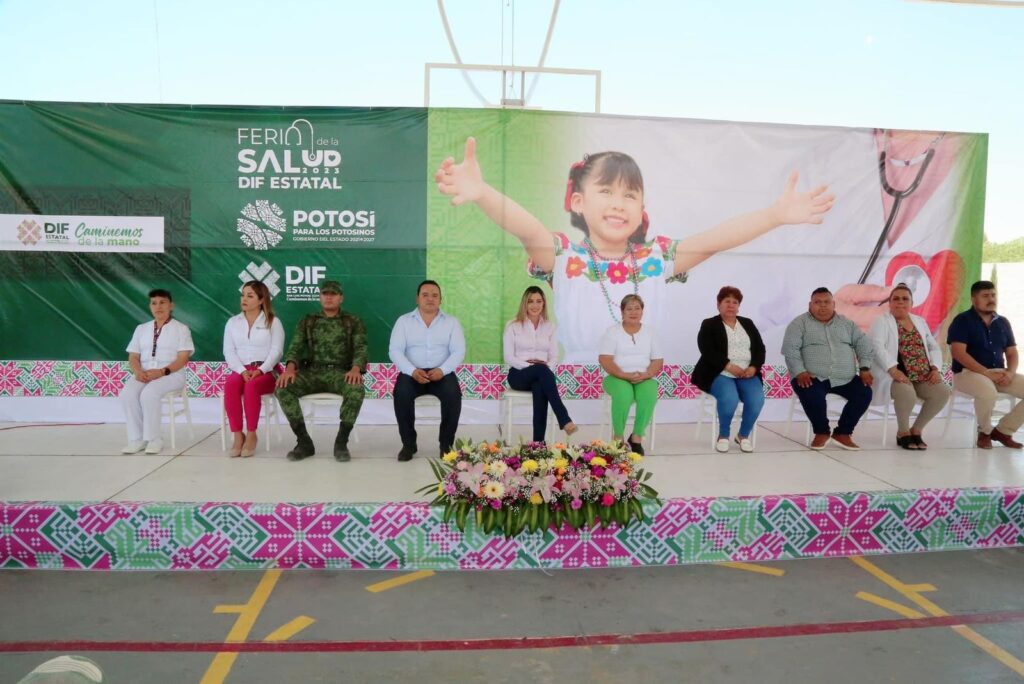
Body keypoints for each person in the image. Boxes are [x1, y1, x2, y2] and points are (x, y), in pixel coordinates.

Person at [435, 138, 834, 362]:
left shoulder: (657, 258)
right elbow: (527, 228)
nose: (618, 202)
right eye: (605, 191)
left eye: (630, 194)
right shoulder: (565, 256)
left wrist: (776, 215)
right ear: (577, 202)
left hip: (641, 373)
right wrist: (483, 193)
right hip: (578, 379)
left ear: (642, 208)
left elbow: (717, 238)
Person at [275, 280, 367, 462]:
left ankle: (341, 443)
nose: (329, 297)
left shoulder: (352, 321)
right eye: (325, 294)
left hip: (341, 373)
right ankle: (304, 442)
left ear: (341, 298)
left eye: (333, 294)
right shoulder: (309, 320)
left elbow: (361, 348)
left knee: (356, 390)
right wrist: (290, 369)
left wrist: (356, 369)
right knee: (283, 388)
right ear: (320, 297)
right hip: (313, 372)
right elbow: (295, 346)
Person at [782, 287, 875, 450]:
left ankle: (843, 433)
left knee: (864, 392)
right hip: (812, 377)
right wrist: (799, 371)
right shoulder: (799, 324)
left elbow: (863, 344)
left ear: (834, 304)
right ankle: (822, 432)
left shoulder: (846, 324)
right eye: (817, 302)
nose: (822, 306)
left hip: (844, 377)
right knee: (812, 394)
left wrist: (865, 368)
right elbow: (790, 349)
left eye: (826, 302)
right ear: (810, 305)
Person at [389, 280, 465, 461]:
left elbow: (458, 351)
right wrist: (411, 370)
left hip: (441, 373)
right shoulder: (404, 321)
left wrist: (443, 369)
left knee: (453, 394)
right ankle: (409, 444)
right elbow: (395, 350)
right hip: (412, 373)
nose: (430, 299)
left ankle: (446, 444)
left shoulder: (452, 323)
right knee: (401, 393)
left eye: (435, 295)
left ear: (441, 299)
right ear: (417, 298)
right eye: (425, 295)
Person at [868, 283, 950, 450]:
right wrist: (893, 370)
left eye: (905, 299)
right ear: (889, 303)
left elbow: (933, 346)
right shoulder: (881, 321)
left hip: (922, 374)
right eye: (896, 299)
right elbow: (876, 347)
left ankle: (917, 429)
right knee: (907, 393)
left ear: (912, 303)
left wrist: (935, 369)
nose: (900, 302)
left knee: (942, 392)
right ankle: (903, 432)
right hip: (893, 374)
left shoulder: (920, 321)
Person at [946, 280, 1024, 449]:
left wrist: (1010, 373)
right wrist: (986, 373)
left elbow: (1011, 353)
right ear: (974, 299)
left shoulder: (1002, 322)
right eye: (985, 296)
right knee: (988, 392)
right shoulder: (963, 320)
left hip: (999, 373)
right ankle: (985, 432)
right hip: (967, 374)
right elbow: (958, 353)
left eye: (993, 295)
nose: (991, 299)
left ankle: (1003, 431)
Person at [692, 286, 766, 453]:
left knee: (757, 399)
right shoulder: (709, 324)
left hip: (747, 373)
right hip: (719, 371)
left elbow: (760, 349)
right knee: (730, 398)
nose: (731, 305)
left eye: (735, 302)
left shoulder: (747, 323)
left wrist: (754, 367)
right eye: (727, 301)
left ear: (739, 306)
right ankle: (723, 435)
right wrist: (729, 366)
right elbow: (706, 349)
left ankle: (743, 436)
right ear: (718, 304)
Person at [120, 289, 194, 455]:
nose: (158, 306)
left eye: (162, 302)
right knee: (127, 394)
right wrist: (138, 372)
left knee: (149, 393)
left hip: (172, 374)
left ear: (171, 305)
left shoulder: (181, 329)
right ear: (150, 306)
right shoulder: (141, 329)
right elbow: (133, 356)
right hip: (144, 373)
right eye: (154, 303)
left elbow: (183, 358)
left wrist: (162, 371)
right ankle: (137, 439)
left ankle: (154, 439)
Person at [503, 286, 578, 443]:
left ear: (544, 303)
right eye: (530, 301)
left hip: (543, 374)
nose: (535, 305)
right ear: (525, 304)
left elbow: (554, 355)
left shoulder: (549, 326)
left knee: (540, 386)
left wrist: (544, 370)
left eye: (539, 301)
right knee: (541, 372)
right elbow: (508, 357)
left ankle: (538, 444)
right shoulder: (513, 325)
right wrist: (533, 367)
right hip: (519, 374)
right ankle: (563, 418)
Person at [222, 280, 285, 457]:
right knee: (231, 384)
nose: (244, 299)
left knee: (252, 386)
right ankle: (237, 435)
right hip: (241, 369)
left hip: (267, 371)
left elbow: (277, 351)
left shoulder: (273, 321)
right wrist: (241, 370)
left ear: (261, 300)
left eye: (250, 296)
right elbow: (228, 351)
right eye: (243, 295)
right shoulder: (233, 322)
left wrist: (261, 369)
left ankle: (251, 434)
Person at [598, 294, 663, 455]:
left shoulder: (650, 332)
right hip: (616, 377)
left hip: (643, 376)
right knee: (624, 394)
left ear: (642, 311)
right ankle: (618, 438)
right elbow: (605, 359)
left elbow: (657, 360)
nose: (633, 312)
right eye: (629, 309)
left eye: (637, 308)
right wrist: (623, 375)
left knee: (649, 392)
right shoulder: (612, 332)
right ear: (622, 312)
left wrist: (646, 374)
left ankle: (636, 437)